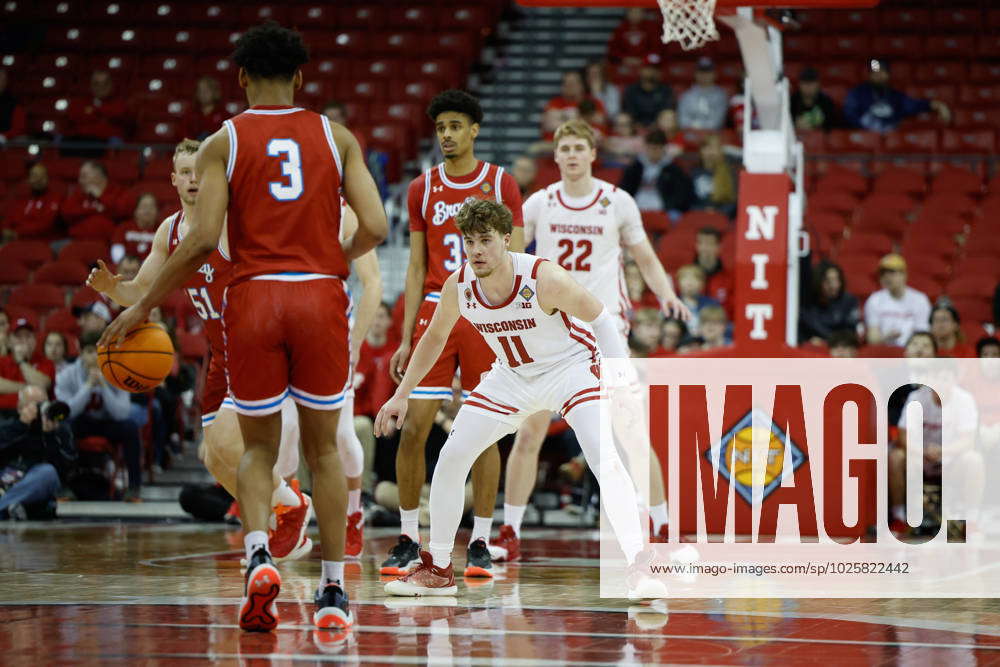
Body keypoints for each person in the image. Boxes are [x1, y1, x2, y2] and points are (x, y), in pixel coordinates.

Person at [99, 22, 388, 633]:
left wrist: (144, 302)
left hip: (253, 297)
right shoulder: (336, 136)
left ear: (240, 79)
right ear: (301, 78)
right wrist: (336, 259)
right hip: (317, 297)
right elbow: (377, 226)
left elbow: (202, 240)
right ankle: (333, 592)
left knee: (257, 449)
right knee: (323, 455)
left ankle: (258, 554)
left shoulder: (220, 142)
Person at [376, 198, 665, 600]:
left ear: (506, 240)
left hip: (570, 368)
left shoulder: (543, 277)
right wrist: (401, 395)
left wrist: (619, 379)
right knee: (453, 456)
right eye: (469, 241)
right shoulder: (458, 285)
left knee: (604, 455)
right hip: (512, 376)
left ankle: (639, 562)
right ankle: (439, 569)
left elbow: (600, 318)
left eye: (485, 240)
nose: (476, 250)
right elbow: (434, 339)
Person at [89, 138, 315, 560]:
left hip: (258, 345)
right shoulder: (169, 230)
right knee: (212, 458)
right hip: (220, 354)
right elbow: (142, 289)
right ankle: (284, 515)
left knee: (230, 443)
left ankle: (291, 503)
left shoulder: (230, 221)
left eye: (201, 171)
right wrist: (112, 288)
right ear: (174, 180)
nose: (194, 179)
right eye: (186, 172)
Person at [500, 120, 690, 558]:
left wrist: (666, 296)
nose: (570, 154)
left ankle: (661, 526)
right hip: (550, 329)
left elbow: (645, 257)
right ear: (556, 155)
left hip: (605, 328)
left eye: (577, 148)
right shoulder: (540, 203)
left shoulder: (617, 201)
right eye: (563, 147)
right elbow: (509, 258)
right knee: (529, 431)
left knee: (629, 430)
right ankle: (508, 532)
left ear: (591, 154)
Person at [386, 89, 523, 580]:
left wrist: (517, 323)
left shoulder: (500, 183)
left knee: (487, 429)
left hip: (488, 313)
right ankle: (407, 537)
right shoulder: (421, 187)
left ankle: (481, 542)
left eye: (455, 126)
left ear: (474, 130)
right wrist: (405, 336)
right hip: (435, 310)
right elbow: (417, 264)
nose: (446, 134)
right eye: (440, 127)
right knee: (414, 427)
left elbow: (518, 258)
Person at [56, 331, 142, 500]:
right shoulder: (66, 375)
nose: (95, 357)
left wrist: (103, 385)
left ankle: (134, 487)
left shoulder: (117, 373)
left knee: (130, 427)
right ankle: (63, 486)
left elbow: (122, 413)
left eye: (99, 351)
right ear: (80, 354)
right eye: (90, 352)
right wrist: (88, 386)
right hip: (80, 422)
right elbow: (66, 412)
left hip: (107, 423)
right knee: (62, 427)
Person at [0, 386, 75, 520]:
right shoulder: (9, 425)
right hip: (6, 477)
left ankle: (3, 507)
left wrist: (50, 436)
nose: (41, 408)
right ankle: (10, 507)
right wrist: (22, 426)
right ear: (20, 408)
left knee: (47, 472)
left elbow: (65, 469)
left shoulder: (59, 428)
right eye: (34, 404)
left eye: (43, 403)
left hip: (35, 481)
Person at [844, 58, 950, 133]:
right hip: (867, 139)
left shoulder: (894, 96)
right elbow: (850, 115)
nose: (879, 75)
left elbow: (912, 106)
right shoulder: (858, 94)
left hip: (891, 140)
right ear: (870, 75)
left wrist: (936, 104)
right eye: (875, 73)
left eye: (882, 72)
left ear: (888, 75)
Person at [620, 129, 693, 215]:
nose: (654, 152)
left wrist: (669, 207)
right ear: (646, 147)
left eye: (658, 148)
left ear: (664, 148)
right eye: (651, 148)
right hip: (636, 207)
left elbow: (681, 194)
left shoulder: (674, 170)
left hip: (664, 209)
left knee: (675, 216)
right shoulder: (635, 167)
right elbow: (624, 189)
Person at [864, 254, 931, 347]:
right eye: (883, 273)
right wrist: (886, 337)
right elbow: (872, 338)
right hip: (884, 351)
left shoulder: (920, 300)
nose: (887, 277)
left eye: (892, 272)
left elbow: (923, 334)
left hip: (912, 351)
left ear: (904, 274)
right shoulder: (874, 300)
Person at [60, 160, 133, 241]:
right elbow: (66, 213)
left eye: (84, 176)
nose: (80, 180)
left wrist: (100, 196)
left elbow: (121, 212)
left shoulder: (119, 191)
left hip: (109, 242)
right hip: (76, 241)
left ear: (99, 175)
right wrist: (96, 209)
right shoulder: (79, 193)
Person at [0, 318, 56, 417]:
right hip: (4, 414)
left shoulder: (46, 362)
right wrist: (28, 387)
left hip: (37, 416)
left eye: (28, 336)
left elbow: (42, 384)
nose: (24, 341)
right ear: (9, 341)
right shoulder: (2, 360)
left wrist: (22, 362)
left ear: (35, 340)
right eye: (18, 336)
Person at [64, 70, 131, 152]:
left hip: (104, 145)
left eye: (105, 84)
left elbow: (119, 117)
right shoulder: (78, 103)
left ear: (111, 85)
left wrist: (95, 111)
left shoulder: (120, 103)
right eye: (96, 84)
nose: (101, 87)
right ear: (91, 85)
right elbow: (73, 120)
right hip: (80, 142)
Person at [799, 261, 861, 346]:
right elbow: (798, 332)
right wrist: (808, 340)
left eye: (837, 280)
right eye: (828, 281)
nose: (834, 285)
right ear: (817, 281)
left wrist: (826, 343)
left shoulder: (849, 301)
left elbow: (850, 334)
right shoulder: (805, 303)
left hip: (839, 349)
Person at [1, 163, 61, 242]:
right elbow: (9, 218)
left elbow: (45, 225)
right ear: (28, 179)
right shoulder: (22, 198)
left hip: (40, 242)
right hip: (15, 240)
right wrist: (5, 229)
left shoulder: (55, 199)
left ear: (48, 179)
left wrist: (17, 233)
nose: (38, 179)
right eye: (34, 176)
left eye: (42, 176)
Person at [541, 70, 605, 141]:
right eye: (566, 83)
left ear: (581, 85)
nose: (570, 87)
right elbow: (550, 124)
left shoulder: (594, 102)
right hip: (557, 145)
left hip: (590, 144)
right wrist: (582, 118)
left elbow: (600, 120)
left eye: (573, 83)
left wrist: (565, 116)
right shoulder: (554, 103)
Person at [690, 134, 737, 218]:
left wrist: (718, 213)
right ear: (701, 151)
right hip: (697, 216)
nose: (710, 152)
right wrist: (702, 211)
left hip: (723, 218)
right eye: (706, 148)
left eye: (714, 148)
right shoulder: (693, 172)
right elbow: (688, 201)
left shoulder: (730, 173)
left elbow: (733, 202)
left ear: (721, 151)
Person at [622, 54, 675, 128]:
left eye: (655, 69)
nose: (652, 72)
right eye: (648, 68)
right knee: (624, 118)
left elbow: (666, 111)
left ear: (660, 72)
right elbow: (628, 112)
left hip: (659, 129)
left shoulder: (666, 91)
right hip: (634, 128)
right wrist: (637, 124)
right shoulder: (631, 90)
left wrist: (655, 125)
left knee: (669, 116)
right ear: (641, 70)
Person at [677, 57, 728, 131]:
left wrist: (697, 126)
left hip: (713, 137)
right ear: (695, 74)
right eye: (701, 72)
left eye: (708, 72)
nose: (704, 75)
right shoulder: (687, 95)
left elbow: (717, 123)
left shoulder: (721, 95)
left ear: (714, 74)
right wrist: (698, 127)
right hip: (690, 135)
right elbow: (682, 122)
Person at [110, 193, 159, 263]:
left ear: (157, 211)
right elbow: (117, 249)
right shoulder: (124, 228)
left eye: (151, 207)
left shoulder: (162, 229)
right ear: (136, 211)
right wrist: (124, 263)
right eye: (144, 207)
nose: (148, 211)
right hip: (127, 268)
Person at [694, 227, 732, 314]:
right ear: (696, 246)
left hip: (721, 324)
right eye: (701, 243)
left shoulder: (729, 278)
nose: (705, 248)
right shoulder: (686, 274)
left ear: (719, 247)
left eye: (710, 244)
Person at [791, 67, 840, 132]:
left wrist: (815, 128)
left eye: (811, 83)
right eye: (805, 83)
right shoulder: (792, 101)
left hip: (821, 140)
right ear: (799, 84)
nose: (808, 87)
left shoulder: (826, 102)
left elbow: (833, 127)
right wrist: (794, 125)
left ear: (818, 84)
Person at [675, 264, 719, 336]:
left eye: (694, 278)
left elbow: (722, 325)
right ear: (678, 283)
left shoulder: (712, 304)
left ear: (702, 284)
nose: (689, 282)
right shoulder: (672, 306)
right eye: (685, 278)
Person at [182, 76, 227, 141]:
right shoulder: (190, 114)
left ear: (215, 92)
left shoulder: (224, 115)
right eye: (200, 90)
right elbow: (185, 135)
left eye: (207, 90)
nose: (203, 93)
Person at [0, 68, 26, 140]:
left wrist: (4, 136)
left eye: (3, 79)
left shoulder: (14, 103)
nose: (1, 82)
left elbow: (19, 128)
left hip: (6, 142)